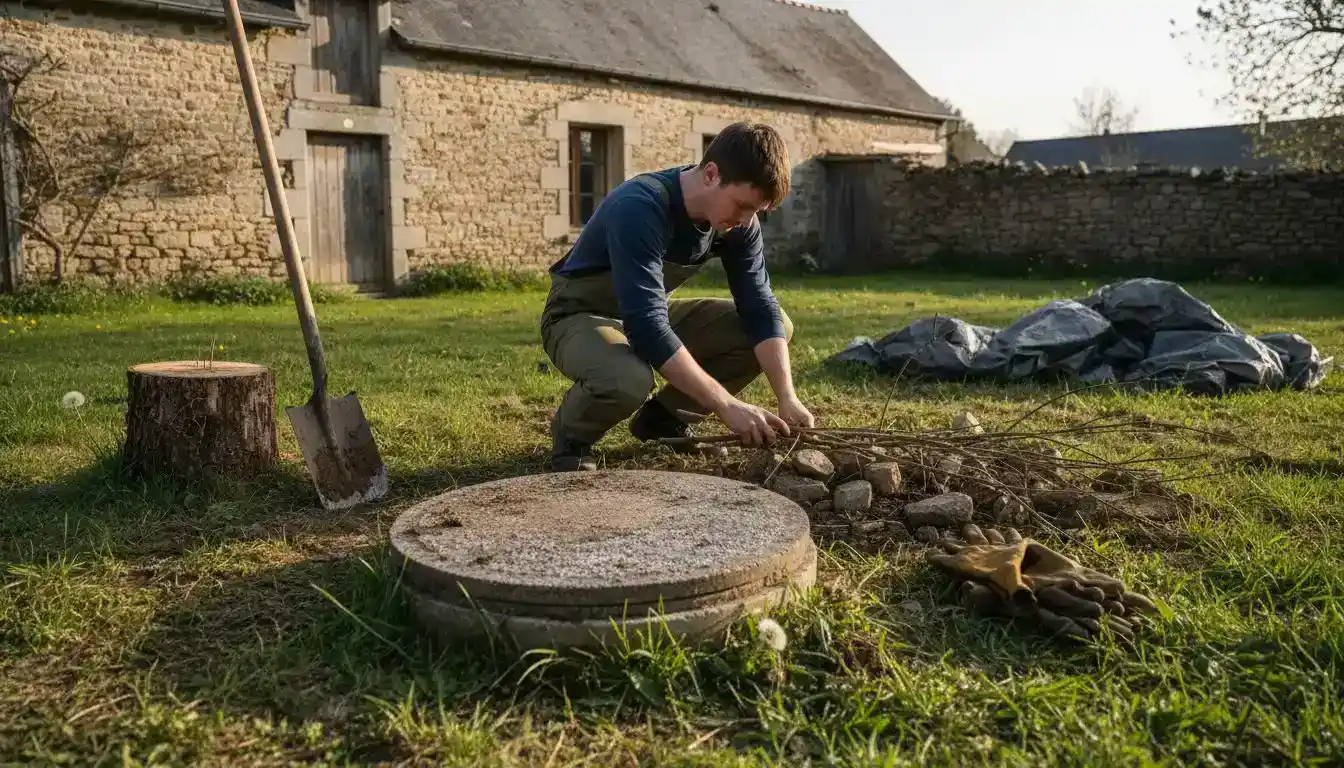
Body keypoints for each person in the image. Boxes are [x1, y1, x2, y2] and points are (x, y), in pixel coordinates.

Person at [539, 122, 815, 471]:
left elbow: (759, 306)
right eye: (742, 206)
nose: (746, 222)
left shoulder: (739, 224)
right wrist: (725, 404)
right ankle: (571, 437)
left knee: (777, 327)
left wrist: (786, 398)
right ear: (711, 174)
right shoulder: (639, 206)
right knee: (627, 379)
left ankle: (662, 420)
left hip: (645, 312)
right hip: (578, 315)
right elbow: (647, 327)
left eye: (756, 212)